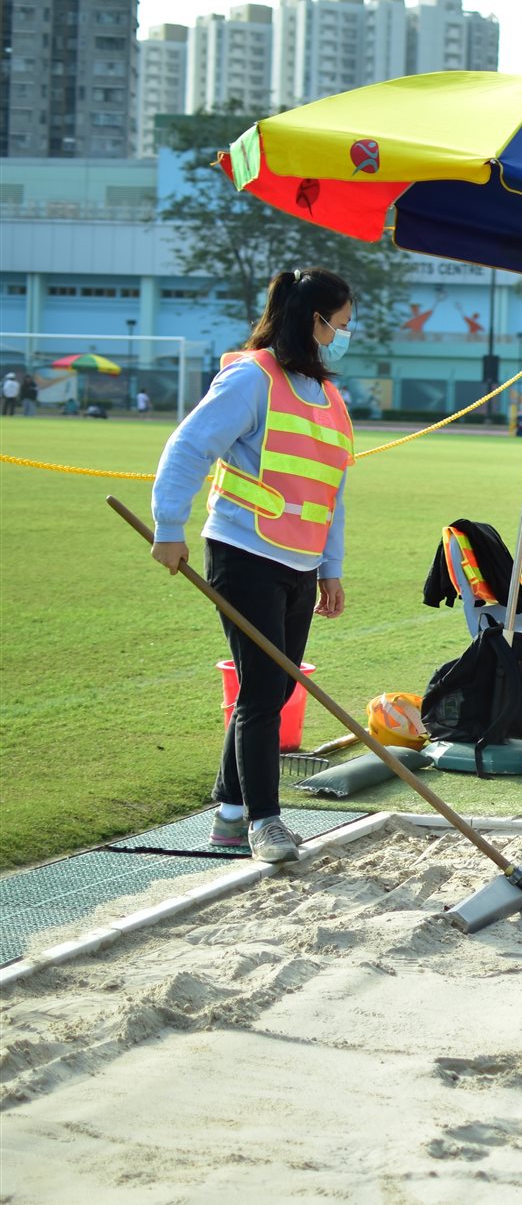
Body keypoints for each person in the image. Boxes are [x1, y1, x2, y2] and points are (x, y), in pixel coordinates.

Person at [149, 267, 356, 864]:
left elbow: (333, 490)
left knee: (276, 686)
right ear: (313, 320)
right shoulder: (251, 377)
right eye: (340, 324)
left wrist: (331, 566)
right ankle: (266, 822)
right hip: (244, 551)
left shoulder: (328, 395)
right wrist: (169, 526)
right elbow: (189, 447)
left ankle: (229, 812)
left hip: (301, 561)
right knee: (264, 691)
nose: (343, 335)